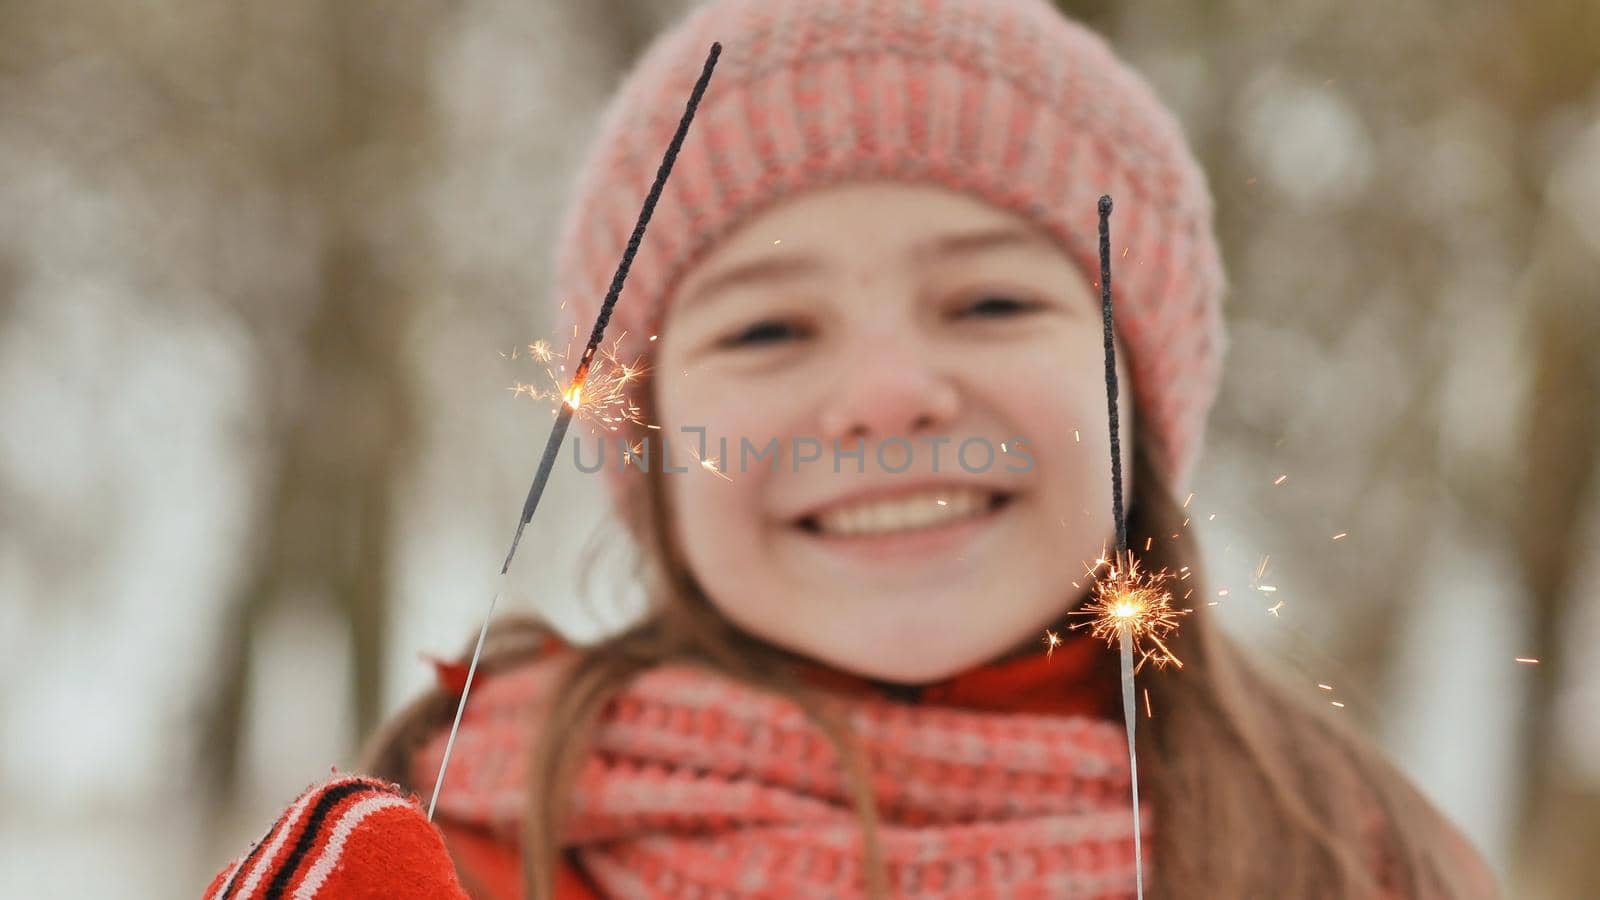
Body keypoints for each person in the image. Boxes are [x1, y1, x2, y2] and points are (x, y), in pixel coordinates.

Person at [204, 0, 1500, 897]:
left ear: (1136, 402)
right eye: (770, 328)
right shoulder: (471, 850)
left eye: (992, 302)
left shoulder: (1354, 860)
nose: (885, 397)